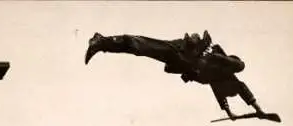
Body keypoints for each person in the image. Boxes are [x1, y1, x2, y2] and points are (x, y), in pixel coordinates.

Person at [85, 31, 265, 120]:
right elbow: (242, 87)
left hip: (181, 58)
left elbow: (221, 96)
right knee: (141, 46)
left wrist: (231, 113)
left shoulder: (216, 80)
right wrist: (259, 111)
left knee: (141, 48)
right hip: (184, 51)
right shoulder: (227, 72)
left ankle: (102, 43)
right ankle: (101, 41)